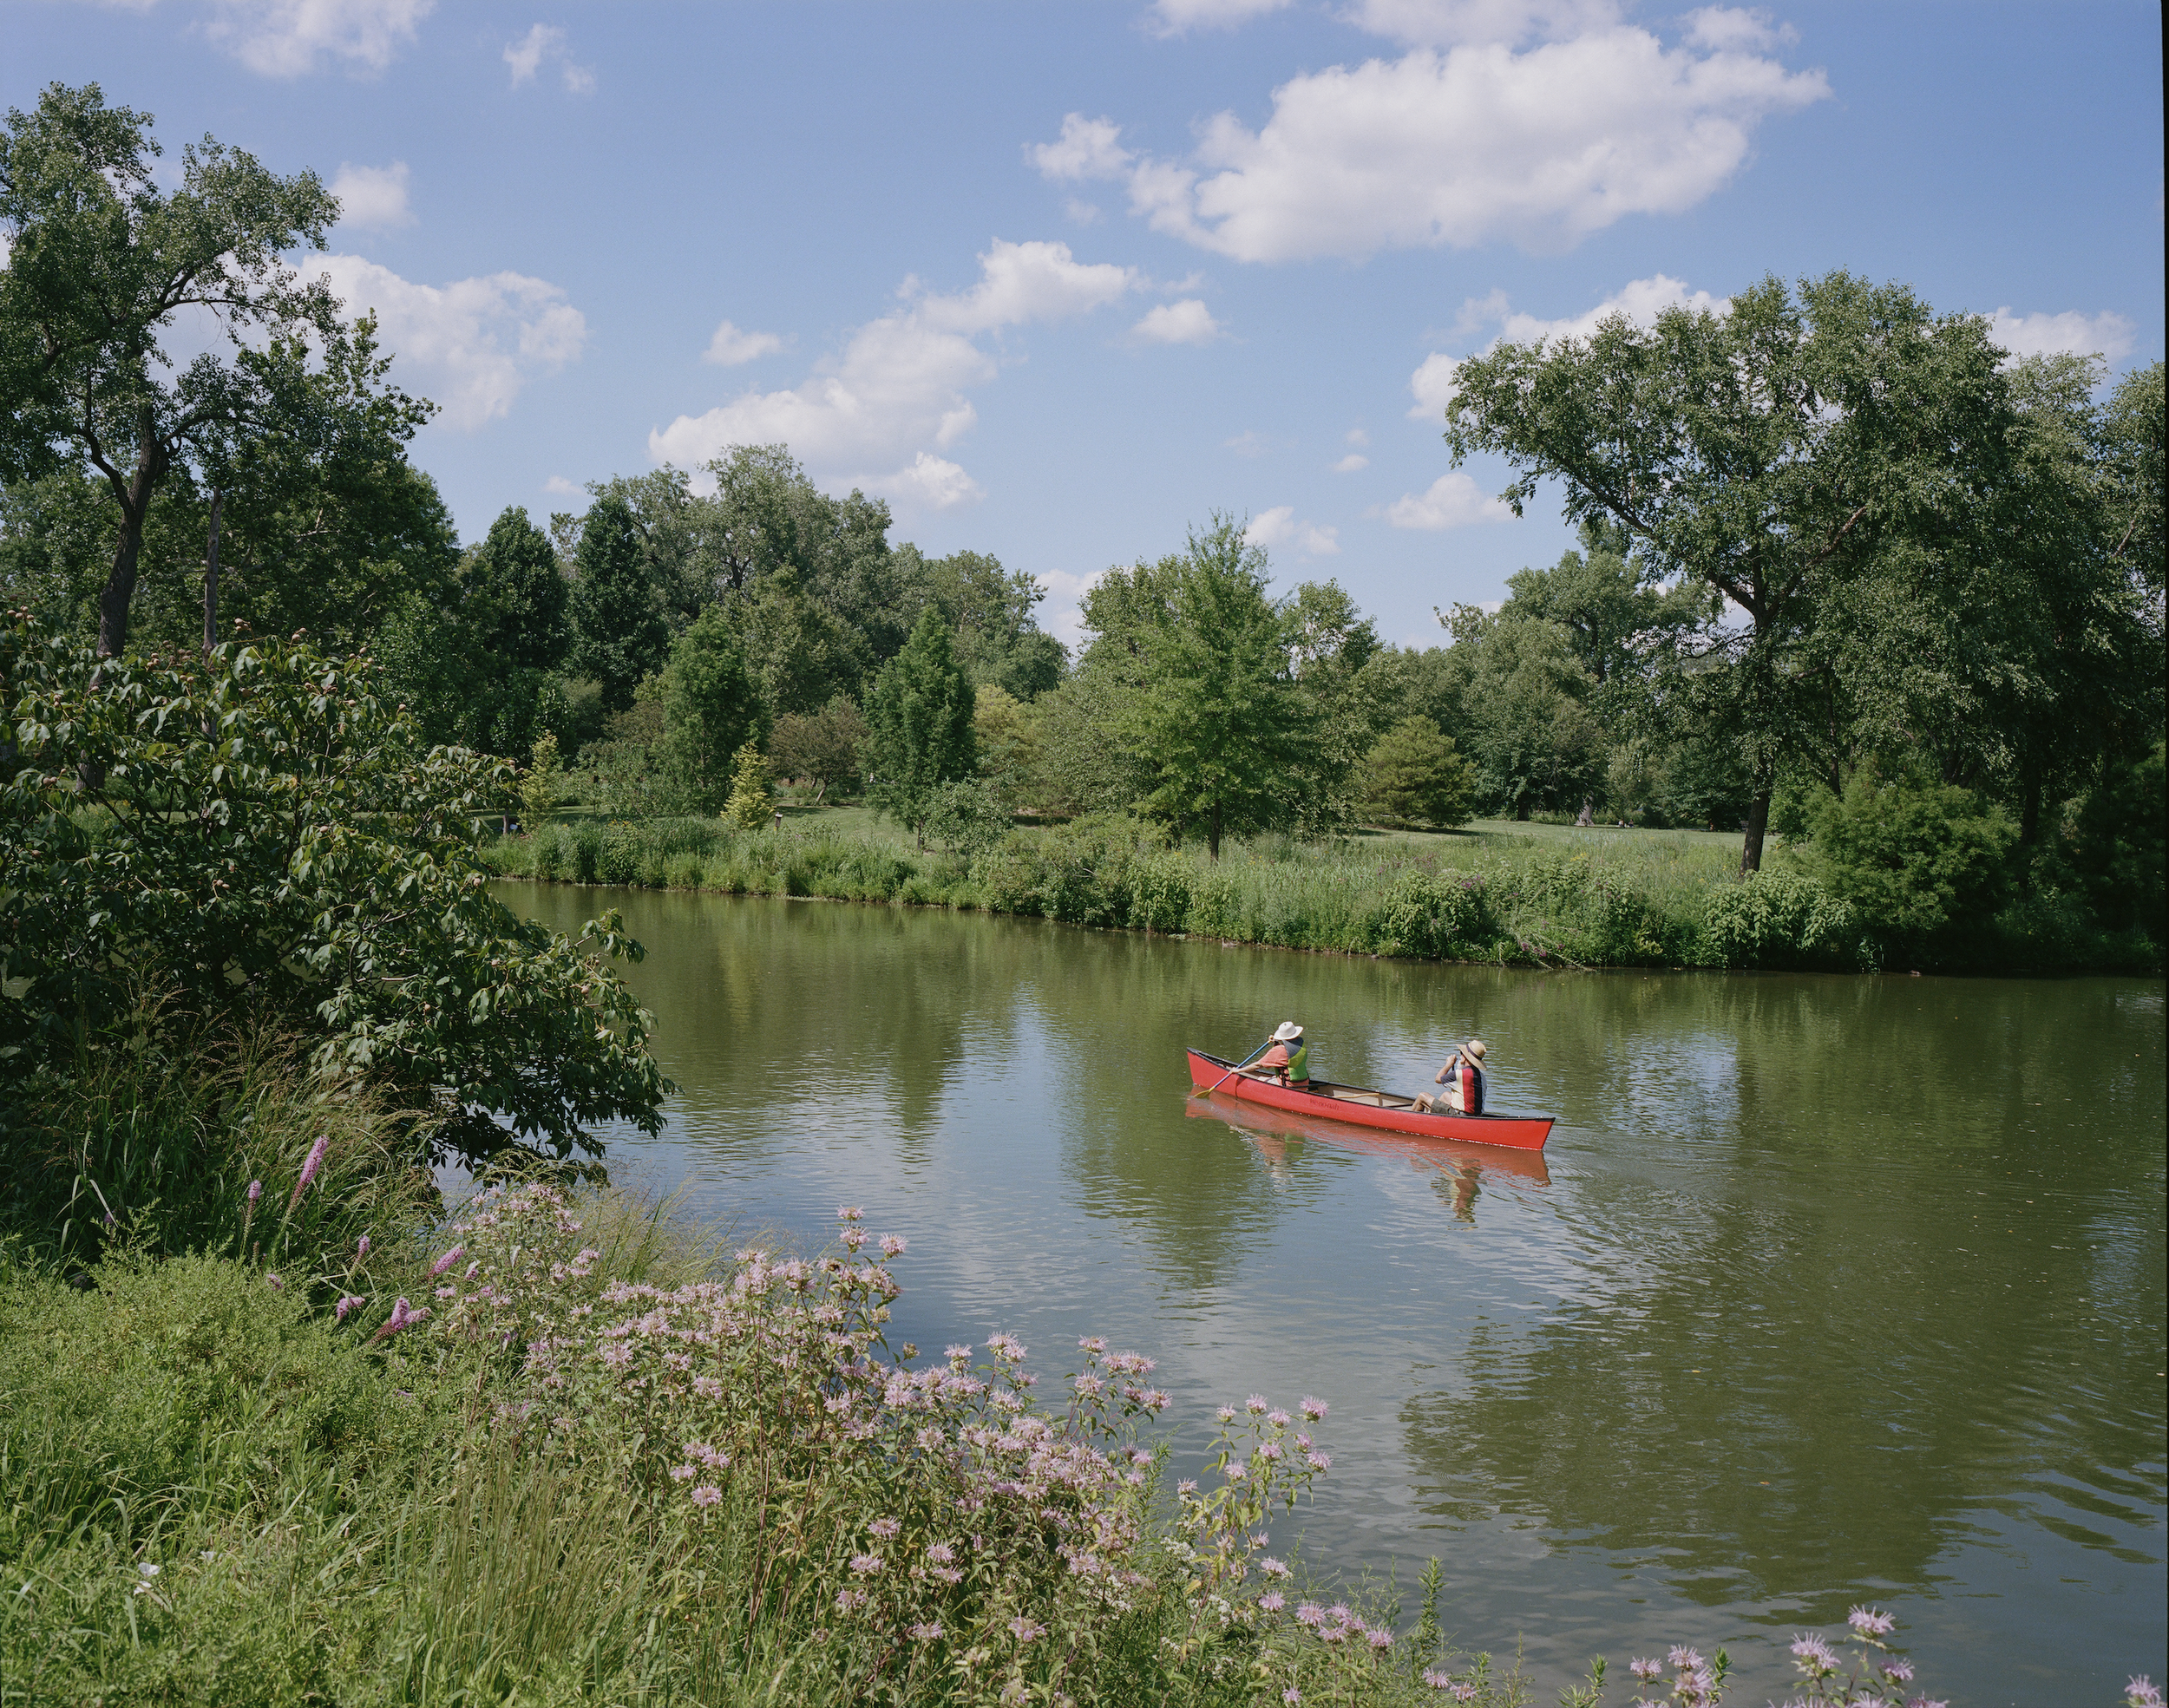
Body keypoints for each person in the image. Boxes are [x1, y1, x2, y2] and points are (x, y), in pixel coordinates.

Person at [1415, 1038, 1486, 1114]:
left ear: (1465, 1057)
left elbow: (1437, 1079)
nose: (1460, 1056)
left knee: (1422, 1096)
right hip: (1476, 1116)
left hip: (1460, 1116)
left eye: (1461, 1053)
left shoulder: (1459, 1074)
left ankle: (1409, 1120)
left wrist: (1449, 1064)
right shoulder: (1482, 1078)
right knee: (1445, 1095)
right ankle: (1433, 1118)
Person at [1253, 1021, 1311, 1090]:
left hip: (1290, 1085)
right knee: (1274, 1077)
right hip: (1305, 1083)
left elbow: (1258, 1065)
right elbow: (1287, 1050)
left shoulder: (1281, 1050)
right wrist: (1276, 1042)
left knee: (1260, 1079)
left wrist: (1238, 1071)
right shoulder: (1300, 1044)